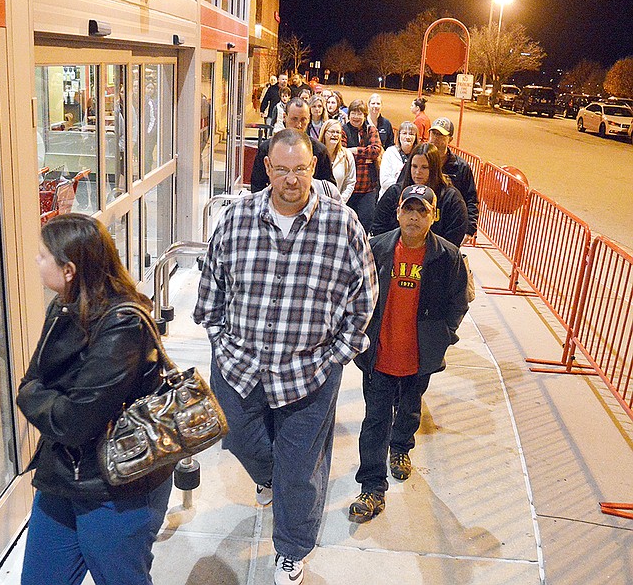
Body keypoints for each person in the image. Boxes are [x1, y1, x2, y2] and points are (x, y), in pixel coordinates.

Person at [194, 128, 377, 585]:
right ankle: (271, 478)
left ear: (313, 168)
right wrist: (218, 336)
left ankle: (292, 549)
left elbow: (364, 298)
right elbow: (212, 284)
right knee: (237, 438)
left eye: (300, 169)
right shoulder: (236, 220)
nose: (291, 179)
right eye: (282, 170)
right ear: (268, 169)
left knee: (300, 470)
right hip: (239, 365)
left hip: (308, 372)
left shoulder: (343, 225)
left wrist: (337, 353)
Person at [17, 213, 173, 585]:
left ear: (69, 269)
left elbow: (72, 420)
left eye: (42, 256)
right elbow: (34, 381)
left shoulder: (123, 324)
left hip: (117, 487)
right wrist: (39, 394)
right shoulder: (64, 306)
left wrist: (36, 397)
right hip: (63, 476)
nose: (36, 263)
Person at [349, 184, 469, 523]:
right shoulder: (377, 249)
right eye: (408, 210)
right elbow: (358, 294)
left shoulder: (447, 258)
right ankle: (372, 487)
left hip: (419, 358)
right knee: (374, 421)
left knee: (409, 409)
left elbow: (457, 304)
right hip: (379, 356)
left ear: (434, 216)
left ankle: (401, 448)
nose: (414, 217)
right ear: (399, 212)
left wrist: (442, 338)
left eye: (423, 211)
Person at [372, 143, 469, 247]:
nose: (418, 172)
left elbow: (454, 235)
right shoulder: (394, 192)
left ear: (434, 169)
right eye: (414, 166)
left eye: (424, 167)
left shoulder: (451, 198)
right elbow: (379, 226)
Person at [250, 98, 335, 193]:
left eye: (303, 120)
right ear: (284, 117)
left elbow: (328, 187)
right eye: (294, 119)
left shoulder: (320, 151)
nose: (299, 125)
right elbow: (257, 186)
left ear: (309, 119)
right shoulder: (266, 148)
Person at [428, 117, 479, 242]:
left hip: (450, 227)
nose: (435, 138)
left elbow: (471, 199)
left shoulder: (461, 167)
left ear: (450, 139)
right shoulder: (420, 160)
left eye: (440, 135)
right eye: (433, 133)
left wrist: (469, 229)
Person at [342, 99, 382, 233]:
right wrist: (365, 157)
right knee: (346, 225)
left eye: (360, 114)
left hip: (368, 188)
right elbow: (342, 153)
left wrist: (353, 151)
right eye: (353, 113)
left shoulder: (371, 130)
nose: (356, 117)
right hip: (348, 188)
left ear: (364, 115)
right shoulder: (343, 130)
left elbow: (376, 150)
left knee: (366, 224)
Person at [379, 121, 419, 199]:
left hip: (411, 199)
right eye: (404, 133)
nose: (407, 137)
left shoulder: (419, 155)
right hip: (389, 198)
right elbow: (384, 182)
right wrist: (407, 185)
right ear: (399, 135)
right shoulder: (390, 152)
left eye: (411, 134)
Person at [320, 119, 356, 202]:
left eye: (338, 132)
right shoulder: (315, 153)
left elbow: (350, 182)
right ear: (324, 132)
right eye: (332, 131)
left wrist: (341, 201)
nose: (335, 135)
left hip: (339, 204)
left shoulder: (347, 155)